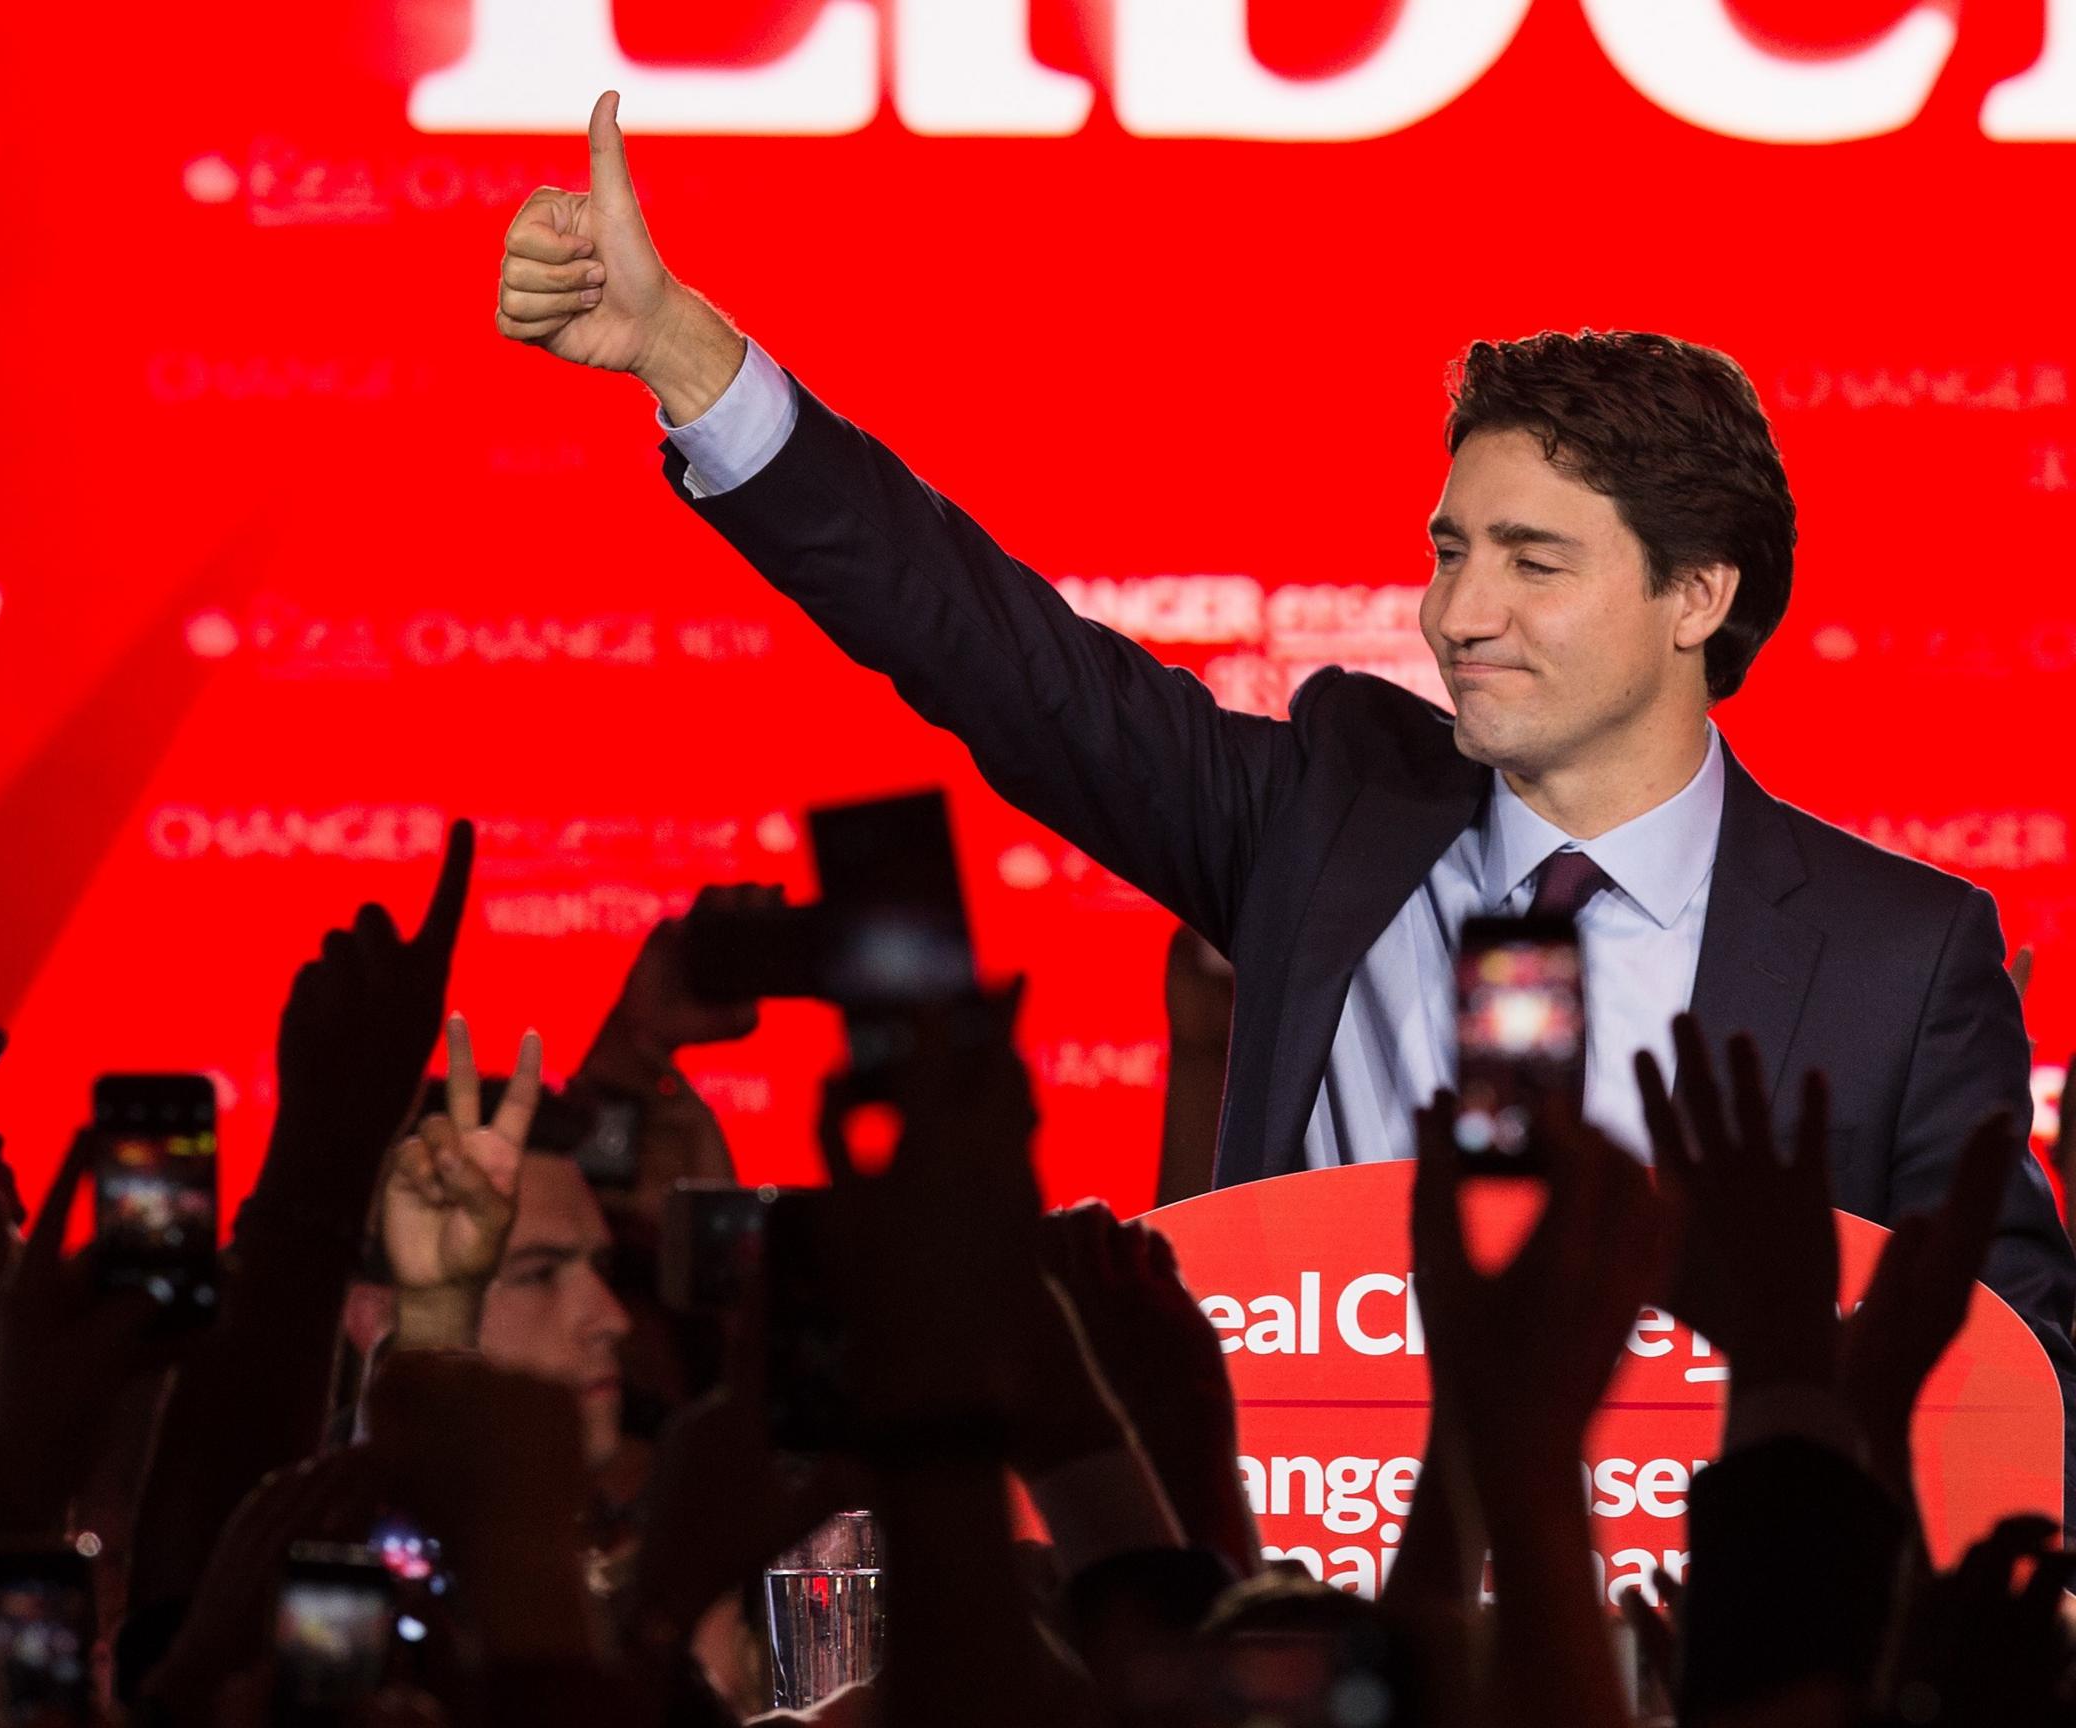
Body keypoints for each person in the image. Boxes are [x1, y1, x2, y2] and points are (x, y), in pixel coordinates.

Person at [491, 91, 2076, 1516]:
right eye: (1452, 549)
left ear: (1696, 597)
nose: (1459, 612)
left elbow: (2019, 1368)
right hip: (1326, 1645)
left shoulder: (1898, 957)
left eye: (1533, 562)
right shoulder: (1329, 817)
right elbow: (995, 654)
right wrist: (685, 354)